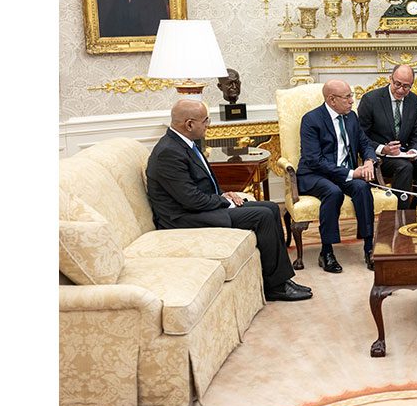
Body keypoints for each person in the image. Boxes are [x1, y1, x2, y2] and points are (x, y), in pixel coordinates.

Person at [145, 99, 310, 302]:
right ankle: (275, 287)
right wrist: (224, 201)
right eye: (205, 120)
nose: (208, 125)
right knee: (262, 216)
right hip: (183, 218)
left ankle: (281, 279)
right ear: (189, 124)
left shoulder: (184, 143)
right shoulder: (168, 152)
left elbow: (202, 184)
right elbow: (191, 200)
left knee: (271, 208)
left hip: (197, 209)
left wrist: (225, 194)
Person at [296, 79, 379, 273]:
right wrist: (351, 173)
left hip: (343, 173)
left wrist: (369, 161)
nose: (352, 101)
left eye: (351, 96)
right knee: (333, 192)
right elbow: (314, 160)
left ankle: (369, 248)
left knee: (362, 188)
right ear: (332, 99)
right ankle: (326, 252)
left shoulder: (351, 117)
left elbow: (365, 143)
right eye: (347, 97)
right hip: (314, 174)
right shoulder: (311, 120)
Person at [356, 64, 417, 210]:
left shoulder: (413, 100)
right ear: (390, 79)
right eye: (397, 84)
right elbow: (360, 137)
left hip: (404, 155)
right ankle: (398, 215)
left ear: (412, 85)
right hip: (380, 157)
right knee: (405, 168)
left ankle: (414, 212)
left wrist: (414, 151)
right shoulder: (371, 100)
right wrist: (383, 149)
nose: (401, 90)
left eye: (406, 86)